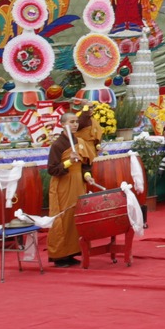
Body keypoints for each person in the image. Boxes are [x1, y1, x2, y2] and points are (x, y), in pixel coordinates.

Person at [44, 108, 102, 266]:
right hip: (63, 185)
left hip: (78, 184)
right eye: (71, 122)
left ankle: (73, 252)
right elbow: (52, 169)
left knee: (76, 218)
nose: (75, 124)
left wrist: (87, 176)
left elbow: (86, 165)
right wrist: (69, 161)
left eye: (76, 122)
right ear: (63, 124)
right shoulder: (57, 145)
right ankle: (60, 256)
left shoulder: (80, 142)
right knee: (63, 219)